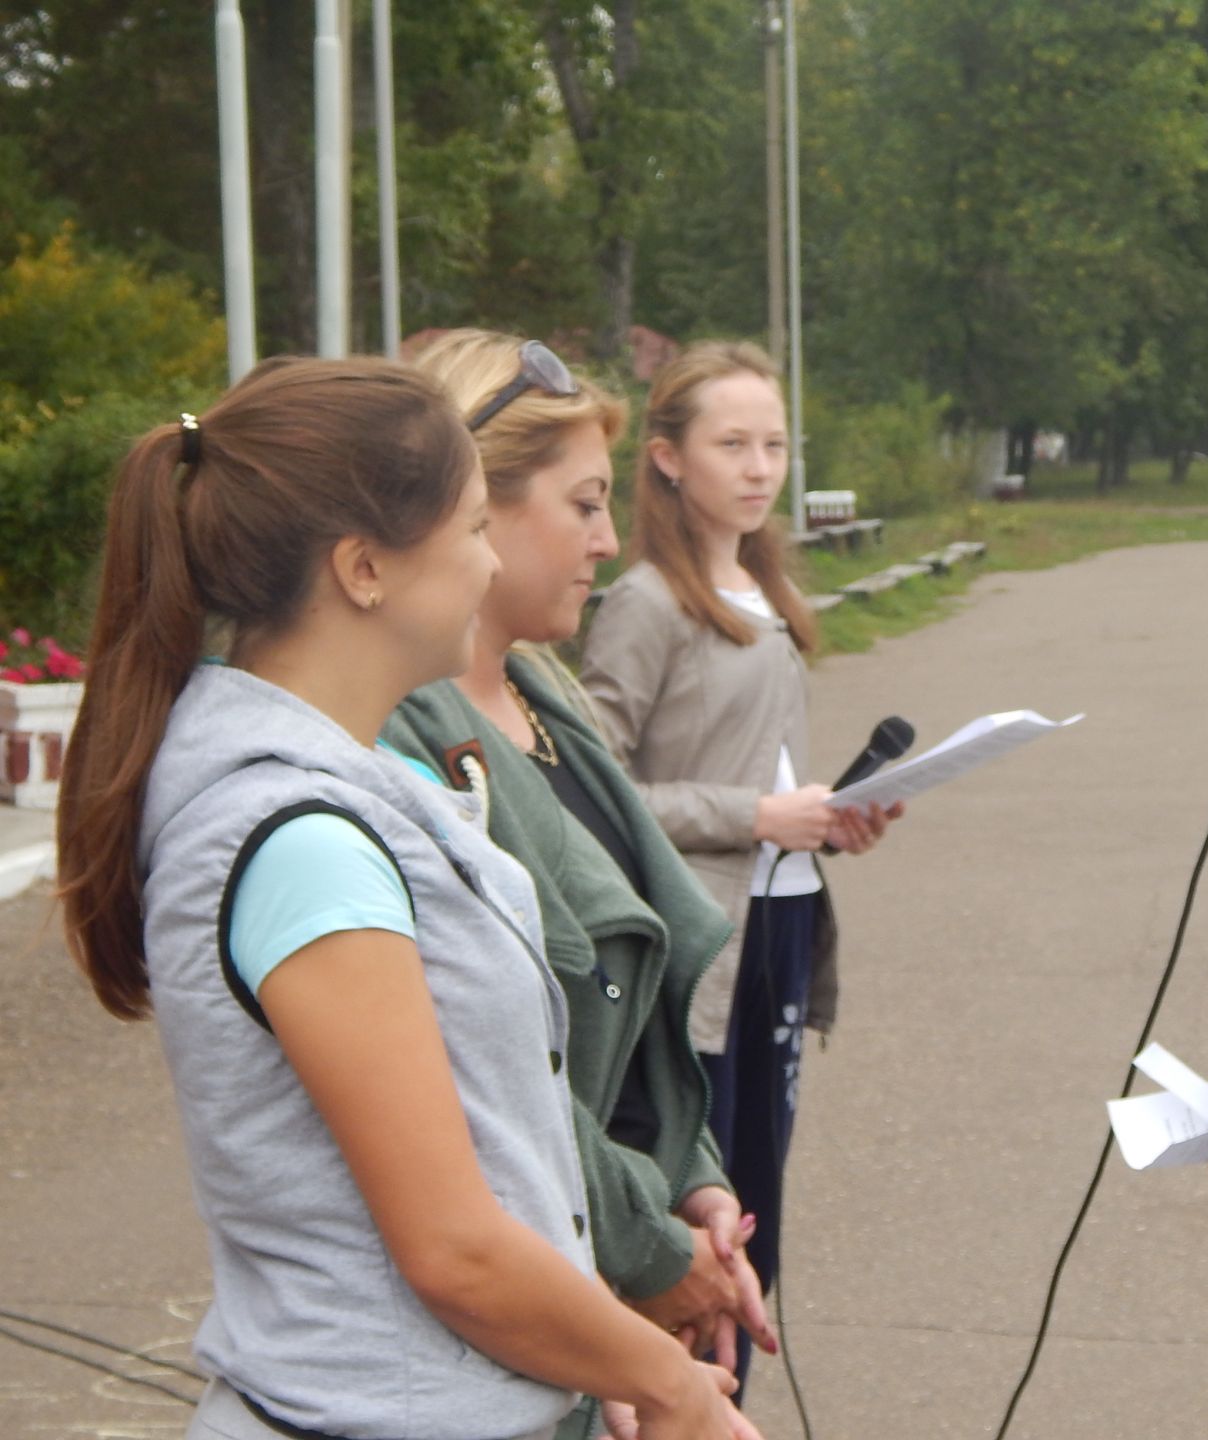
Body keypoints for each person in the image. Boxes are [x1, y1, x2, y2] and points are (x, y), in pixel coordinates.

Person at [55, 357, 755, 1440]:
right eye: (475, 527)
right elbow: (455, 1248)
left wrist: (580, 1360)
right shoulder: (306, 844)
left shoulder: (353, 790)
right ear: (364, 568)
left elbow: (497, 1155)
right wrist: (665, 1385)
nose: (487, 565)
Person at [382, 330, 778, 1436]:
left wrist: (697, 1190)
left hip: (616, 1254)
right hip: (541, 1285)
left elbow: (638, 994)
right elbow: (500, 1068)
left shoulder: (540, 693)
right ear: (471, 508)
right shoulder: (407, 739)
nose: (609, 540)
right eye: (584, 505)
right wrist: (655, 1252)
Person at [579, 341, 901, 1376]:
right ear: (668, 459)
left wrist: (828, 819)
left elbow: (764, 783)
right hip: (700, 953)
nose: (761, 468)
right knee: (702, 1206)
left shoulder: (768, 594)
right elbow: (594, 792)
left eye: (775, 445)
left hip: (782, 930)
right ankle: (683, 1395)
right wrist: (756, 814)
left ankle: (725, 1396)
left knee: (758, 1200)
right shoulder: (642, 603)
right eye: (733, 444)